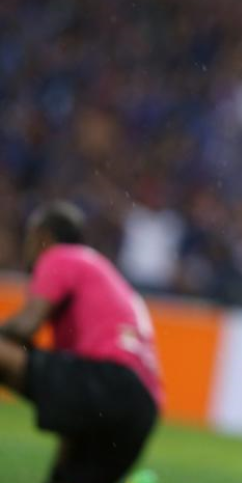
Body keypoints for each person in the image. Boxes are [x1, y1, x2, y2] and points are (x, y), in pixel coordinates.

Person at [0, 201, 162, 483]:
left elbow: (26, 325)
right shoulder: (100, 269)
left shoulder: (59, 256)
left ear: (43, 237)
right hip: (143, 409)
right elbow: (75, 394)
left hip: (109, 379)